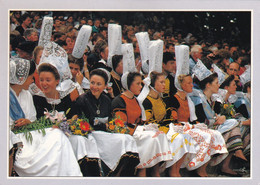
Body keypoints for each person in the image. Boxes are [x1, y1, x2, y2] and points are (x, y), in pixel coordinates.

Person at [10, 58, 82, 176]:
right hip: (17, 137)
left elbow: (33, 119)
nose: (33, 81)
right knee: (56, 135)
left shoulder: (27, 94)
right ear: (21, 79)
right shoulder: (7, 96)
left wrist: (28, 122)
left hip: (32, 131)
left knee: (58, 135)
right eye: (31, 78)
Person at [75, 69, 139, 176]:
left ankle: (120, 175)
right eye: (92, 83)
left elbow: (111, 120)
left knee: (127, 139)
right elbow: (82, 122)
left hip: (105, 134)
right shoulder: (82, 99)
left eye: (98, 84)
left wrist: (113, 126)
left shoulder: (106, 100)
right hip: (91, 135)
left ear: (105, 86)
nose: (94, 87)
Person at [112, 71, 172, 177]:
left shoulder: (136, 100)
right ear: (129, 84)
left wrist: (147, 127)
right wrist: (140, 129)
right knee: (152, 137)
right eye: (138, 84)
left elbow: (140, 120)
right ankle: (142, 170)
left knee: (159, 134)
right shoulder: (119, 101)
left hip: (137, 132)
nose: (141, 86)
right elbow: (121, 125)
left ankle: (154, 171)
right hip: (127, 135)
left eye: (141, 84)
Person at [189, 72, 247, 177]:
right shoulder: (199, 100)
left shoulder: (212, 100)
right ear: (208, 85)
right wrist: (217, 120)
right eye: (216, 83)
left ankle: (231, 158)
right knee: (233, 127)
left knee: (233, 126)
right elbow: (201, 120)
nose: (218, 85)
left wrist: (221, 118)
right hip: (203, 128)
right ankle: (235, 153)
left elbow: (217, 116)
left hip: (213, 126)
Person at [142, 71, 198, 177]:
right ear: (153, 84)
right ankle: (164, 171)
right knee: (178, 138)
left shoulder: (163, 100)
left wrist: (173, 126)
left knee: (185, 136)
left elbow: (169, 118)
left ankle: (175, 169)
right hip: (153, 130)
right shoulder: (147, 101)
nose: (165, 85)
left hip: (165, 128)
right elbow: (148, 122)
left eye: (165, 82)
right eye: (161, 82)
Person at [172, 74, 228, 177]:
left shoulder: (188, 100)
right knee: (207, 136)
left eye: (191, 83)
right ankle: (195, 166)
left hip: (189, 126)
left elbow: (194, 119)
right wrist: (193, 126)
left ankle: (202, 168)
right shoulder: (174, 99)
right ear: (181, 85)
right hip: (179, 128)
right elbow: (174, 121)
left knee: (214, 133)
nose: (192, 85)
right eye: (189, 83)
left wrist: (199, 125)